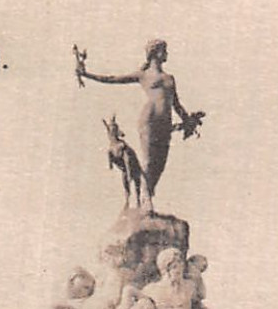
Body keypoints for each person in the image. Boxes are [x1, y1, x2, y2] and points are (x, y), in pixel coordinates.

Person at [76, 39, 202, 211]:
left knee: (160, 165)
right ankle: (145, 201)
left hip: (166, 122)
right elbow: (113, 79)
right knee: (149, 161)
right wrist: (87, 74)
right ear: (155, 53)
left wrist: (188, 120)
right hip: (149, 119)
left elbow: (177, 105)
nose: (167, 54)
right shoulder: (143, 75)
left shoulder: (170, 78)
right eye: (164, 50)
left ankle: (145, 195)